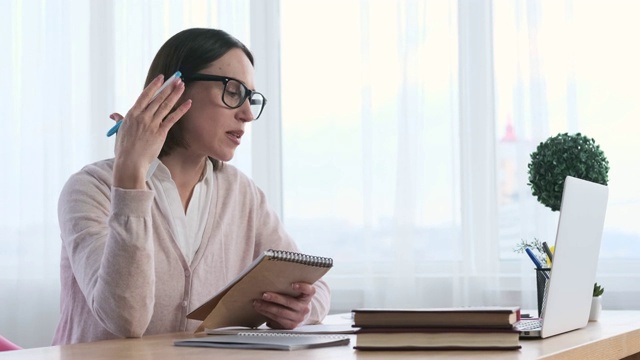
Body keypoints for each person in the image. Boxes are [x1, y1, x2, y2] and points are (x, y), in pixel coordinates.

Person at [52, 28, 331, 345]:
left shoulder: (241, 193)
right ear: (175, 88)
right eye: (233, 91)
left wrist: (300, 310)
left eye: (250, 98)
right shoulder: (91, 189)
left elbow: (315, 286)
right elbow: (124, 318)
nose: (247, 114)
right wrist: (130, 175)